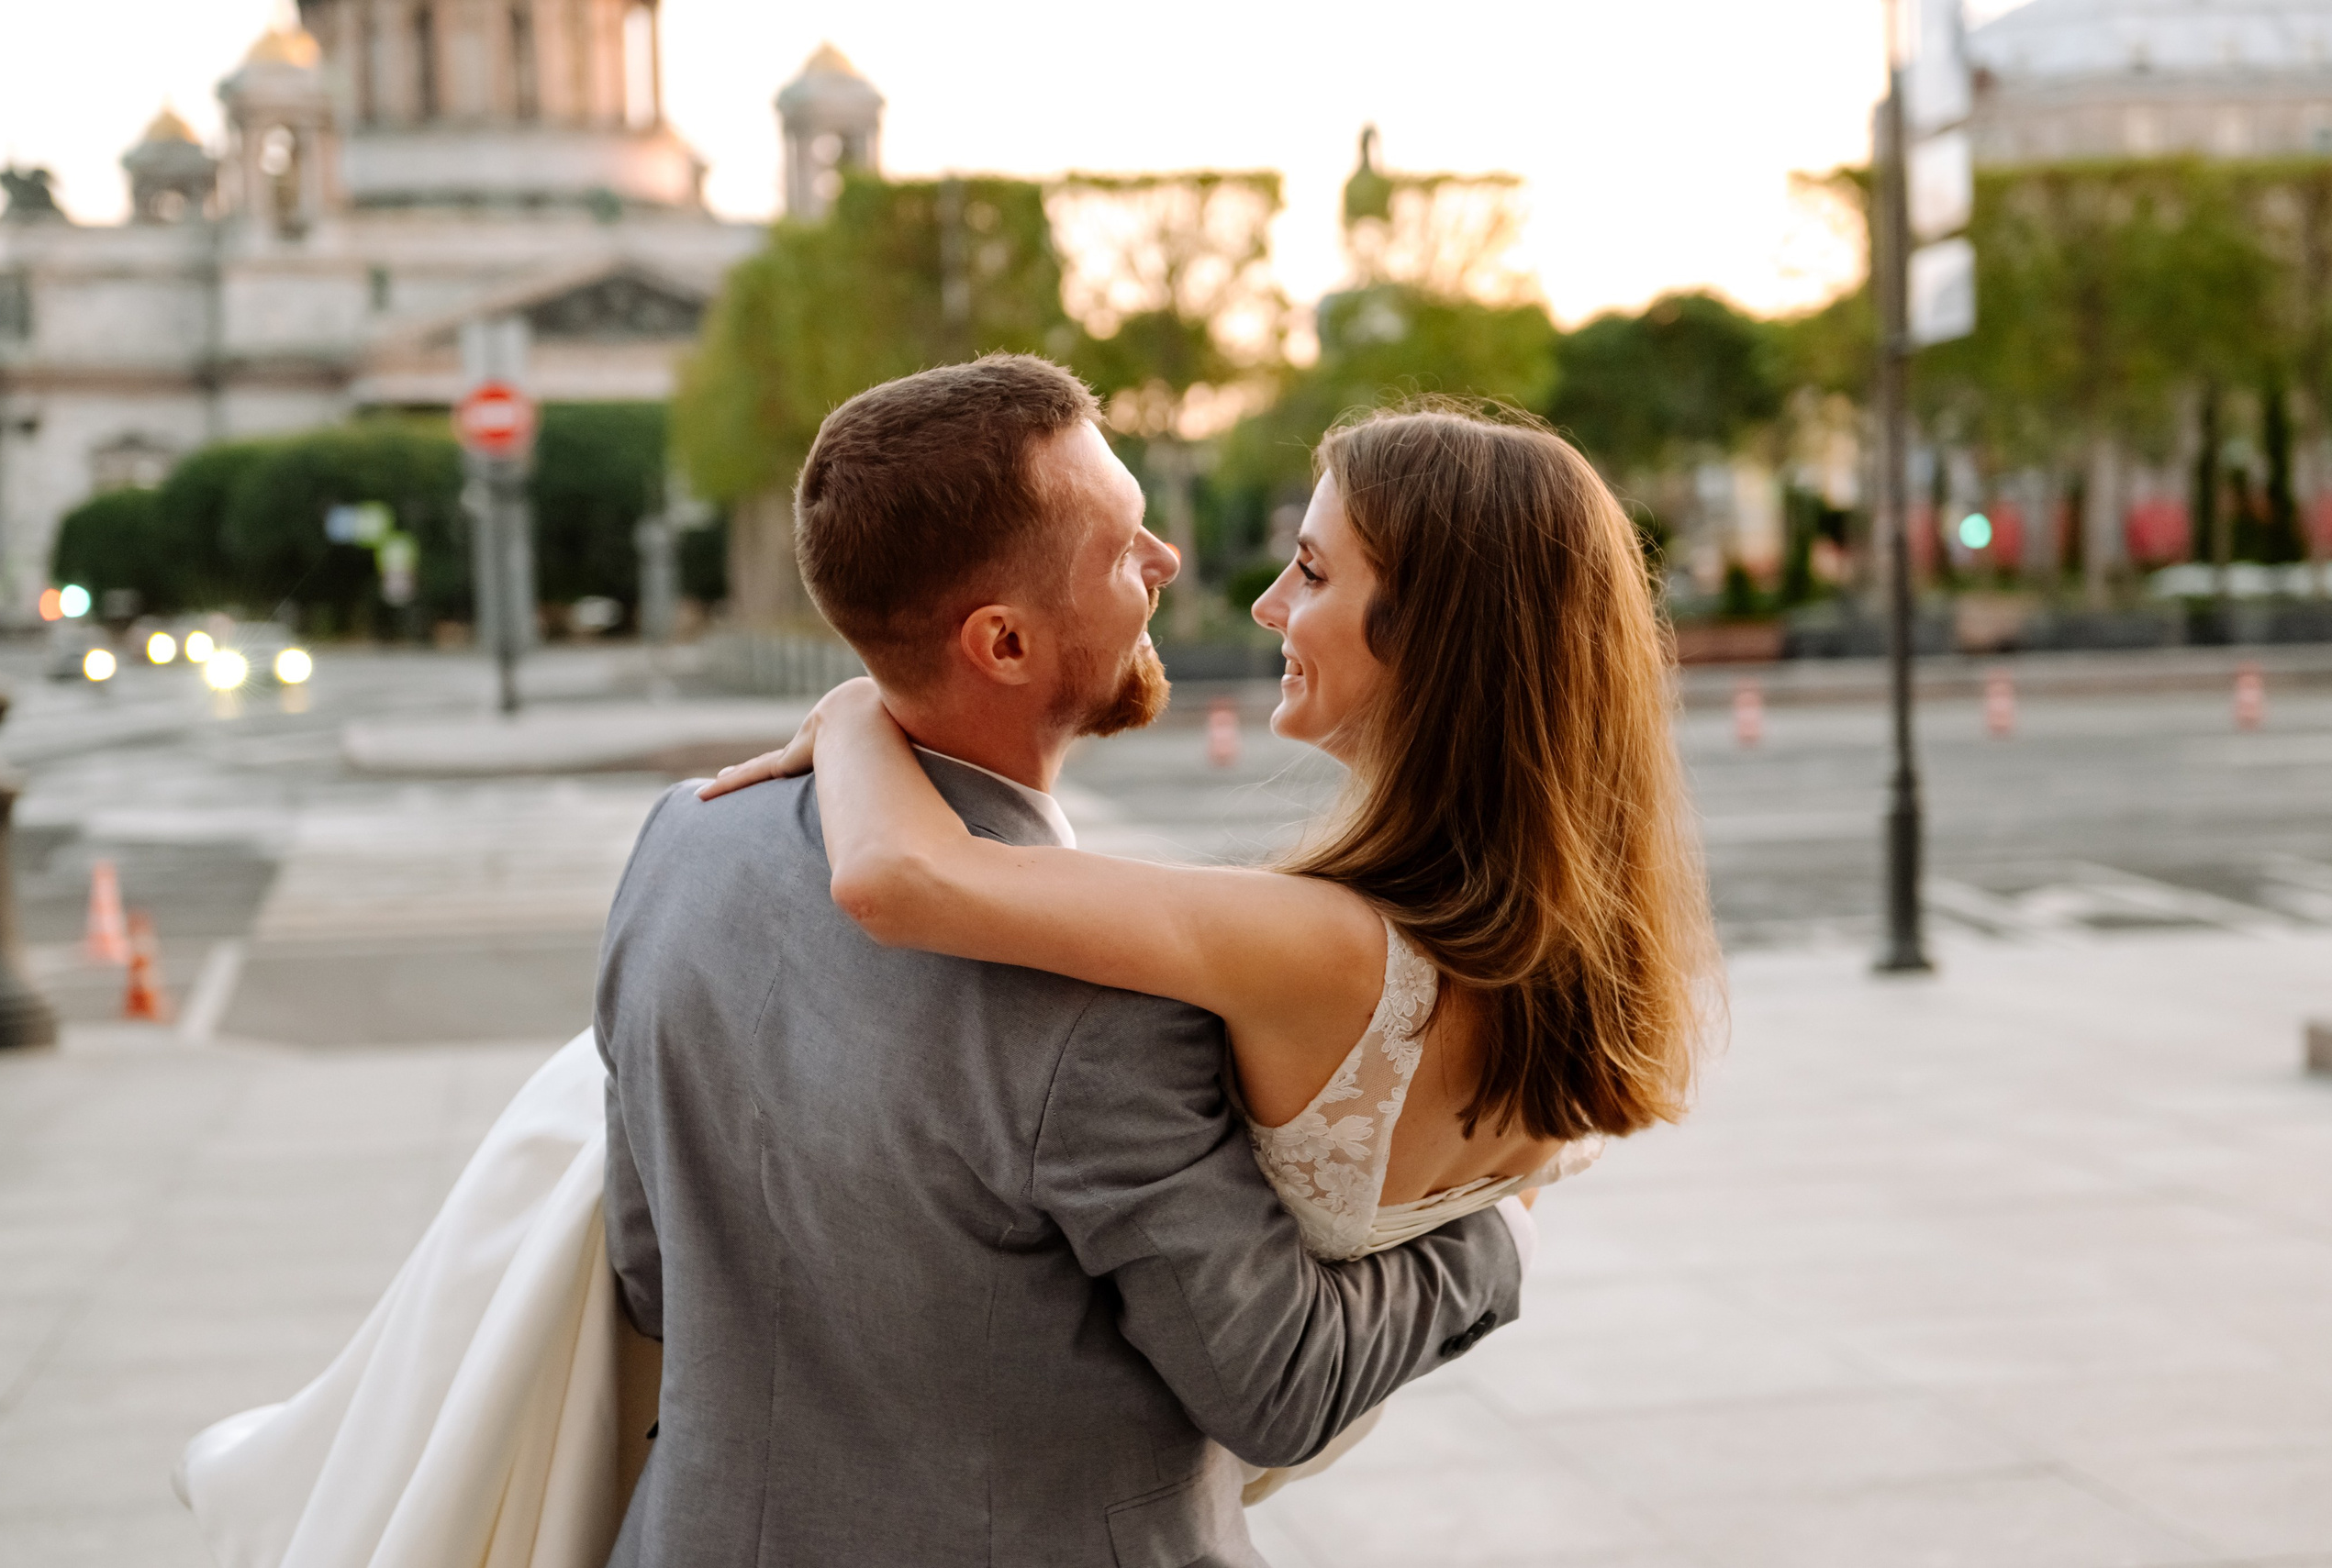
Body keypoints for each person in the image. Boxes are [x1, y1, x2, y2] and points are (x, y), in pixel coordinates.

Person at [173, 356, 1528, 1568]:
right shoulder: (1114, 1001)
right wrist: (1489, 1237)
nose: (1171, 558)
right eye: (1124, 547)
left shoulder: (678, 849)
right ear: (1001, 640)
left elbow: (652, 1271)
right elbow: (1279, 1388)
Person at [701, 397, 1718, 1500]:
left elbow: (896, 879)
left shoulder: (1315, 942)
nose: (1266, 602)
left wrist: (856, 706)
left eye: (1314, 572)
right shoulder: (1567, 948)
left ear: (1436, 630)